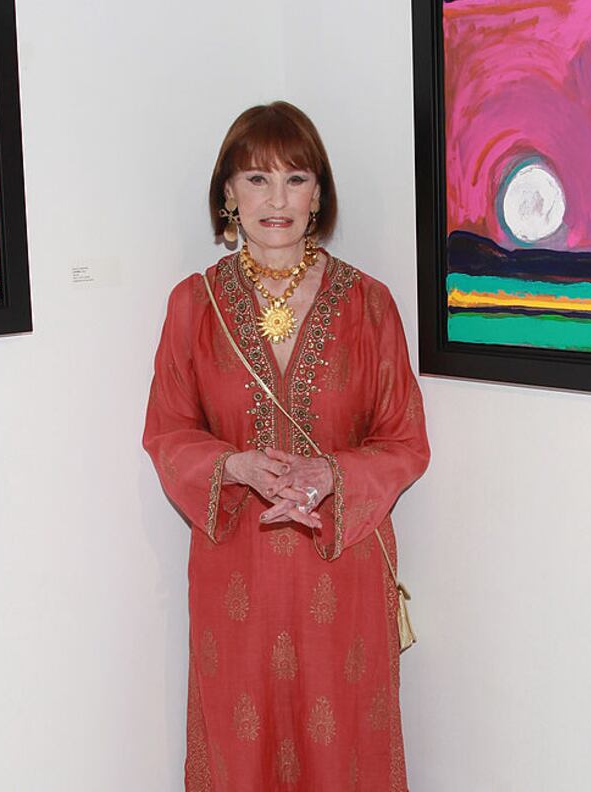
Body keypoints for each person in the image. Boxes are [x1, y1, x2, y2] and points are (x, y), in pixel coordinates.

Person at [143, 101, 430, 791]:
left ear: (318, 194)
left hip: (341, 564)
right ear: (227, 193)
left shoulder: (369, 304)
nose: (276, 200)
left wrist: (332, 474)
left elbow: (404, 440)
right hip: (235, 569)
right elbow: (167, 431)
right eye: (256, 179)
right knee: (239, 749)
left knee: (344, 750)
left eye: (295, 179)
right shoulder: (193, 304)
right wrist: (233, 465)